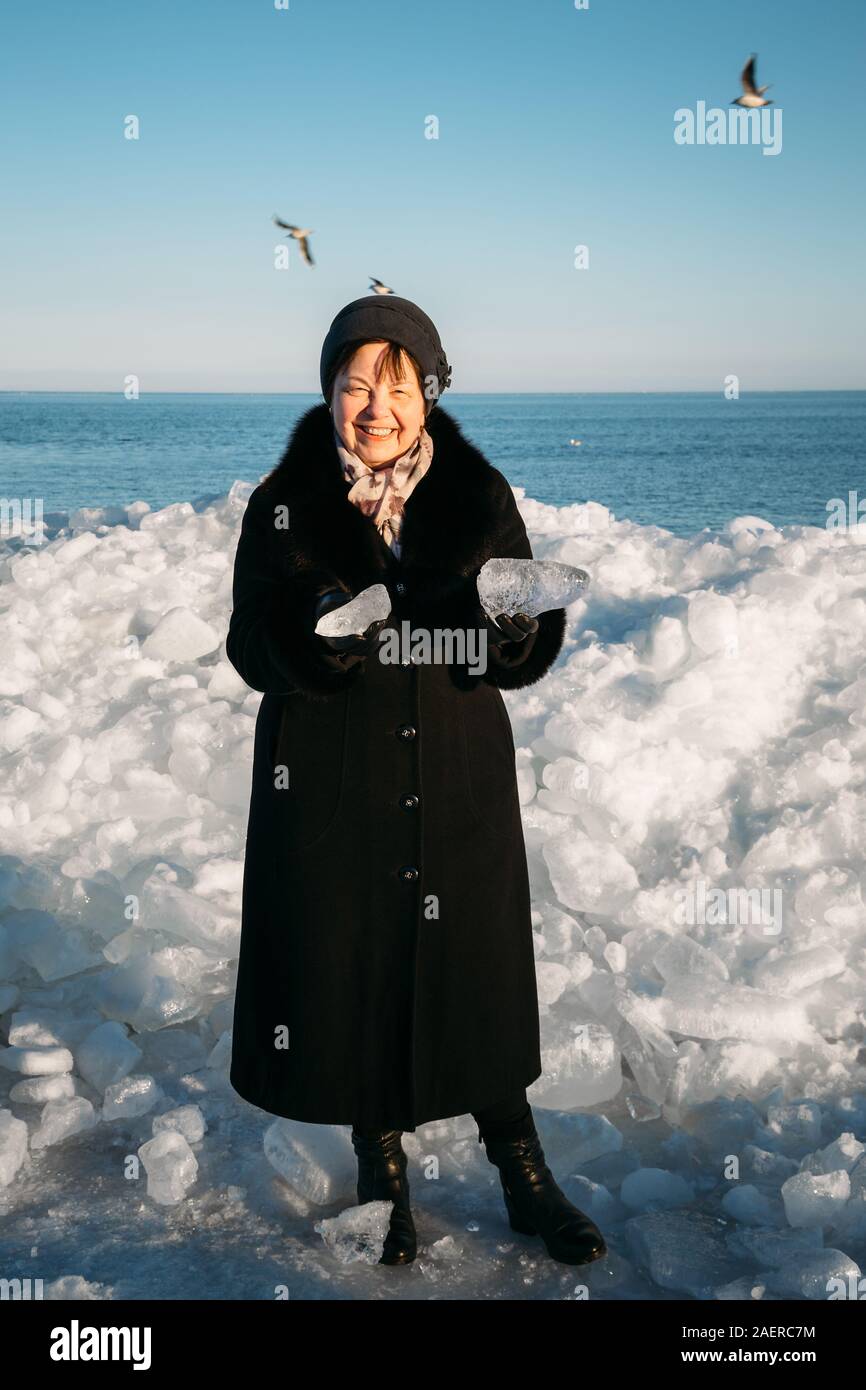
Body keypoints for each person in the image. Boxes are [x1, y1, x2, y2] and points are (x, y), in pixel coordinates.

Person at [225, 294, 606, 1268]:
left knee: (472, 967)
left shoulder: (477, 496)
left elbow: (521, 638)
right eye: (353, 384)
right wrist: (313, 635)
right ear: (330, 391)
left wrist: (515, 625)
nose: (372, 404)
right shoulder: (283, 500)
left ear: (426, 392)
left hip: (455, 769)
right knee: (350, 962)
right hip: (329, 774)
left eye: (393, 385)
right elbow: (246, 642)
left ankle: (522, 1175)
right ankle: (379, 1170)